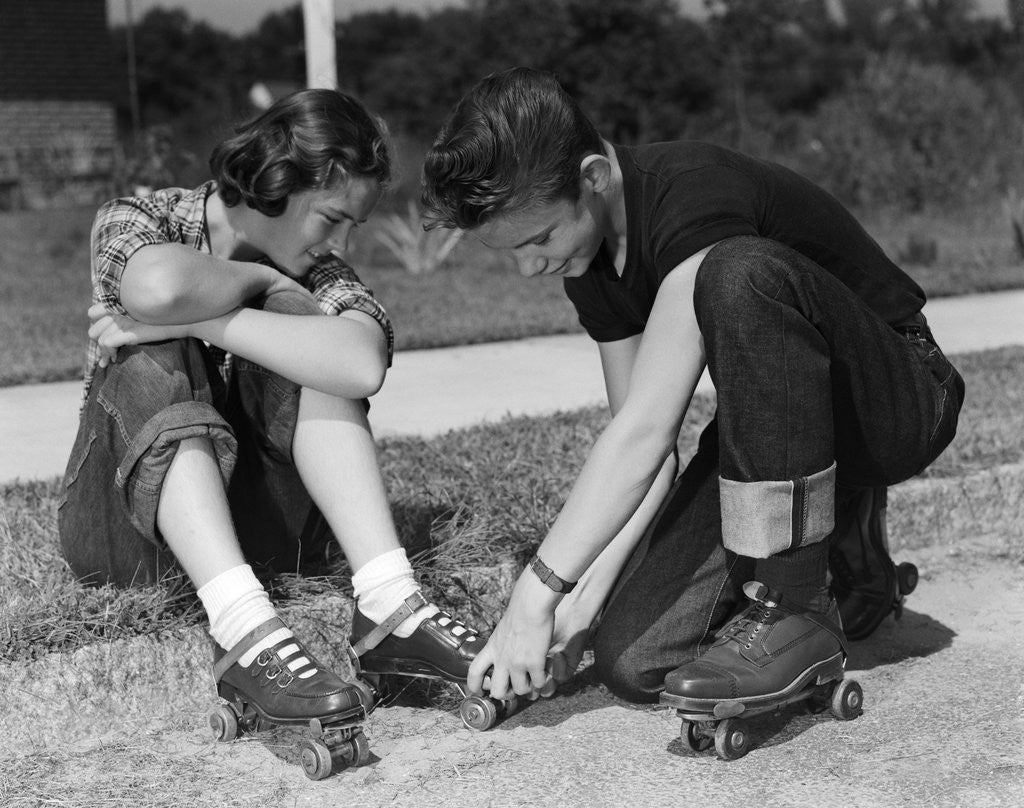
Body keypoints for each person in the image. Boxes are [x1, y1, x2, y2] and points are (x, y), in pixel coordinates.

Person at [420, 67, 964, 707]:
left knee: (735, 271)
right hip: (778, 433)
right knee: (633, 660)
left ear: (593, 178)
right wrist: (577, 610)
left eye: (539, 238)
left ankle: (798, 607)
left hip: (897, 400)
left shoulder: (693, 195)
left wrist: (531, 595)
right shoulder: (589, 262)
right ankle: (844, 543)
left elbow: (646, 433)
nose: (530, 265)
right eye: (510, 251)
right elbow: (645, 453)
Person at [59, 89, 484, 729]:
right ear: (274, 182)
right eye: (330, 218)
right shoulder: (140, 218)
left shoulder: (313, 272)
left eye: (351, 227)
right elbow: (157, 286)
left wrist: (221, 322)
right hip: (125, 533)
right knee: (162, 341)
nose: (339, 243)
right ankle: (242, 626)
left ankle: (392, 604)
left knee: (308, 331)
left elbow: (361, 363)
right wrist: (256, 284)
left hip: (266, 533)